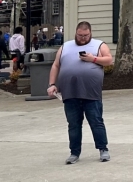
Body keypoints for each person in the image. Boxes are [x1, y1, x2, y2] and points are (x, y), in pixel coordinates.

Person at [46, 21, 113, 164]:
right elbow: (56, 65)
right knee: (74, 124)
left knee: (96, 121)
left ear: (91, 33)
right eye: (80, 35)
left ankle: (103, 149)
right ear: (76, 33)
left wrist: (92, 59)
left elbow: (108, 60)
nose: (82, 38)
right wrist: (52, 84)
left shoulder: (99, 45)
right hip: (70, 92)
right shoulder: (66, 46)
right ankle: (74, 152)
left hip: (91, 92)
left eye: (86, 35)